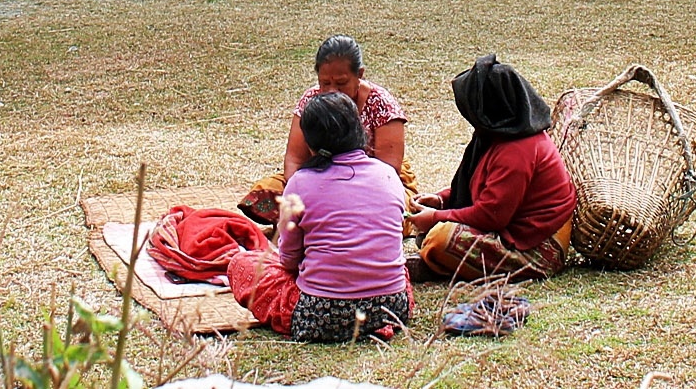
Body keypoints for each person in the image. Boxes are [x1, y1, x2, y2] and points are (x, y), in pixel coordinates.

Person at [227, 92, 410, 342]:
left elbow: (289, 261)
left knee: (243, 264)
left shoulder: (300, 184)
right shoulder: (389, 176)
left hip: (320, 316)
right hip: (392, 308)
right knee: (397, 269)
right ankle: (374, 325)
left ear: (311, 143)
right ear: (360, 132)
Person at [407, 54, 576, 283]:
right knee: (434, 235)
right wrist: (442, 200)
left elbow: (492, 215)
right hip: (512, 227)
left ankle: (442, 265)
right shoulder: (500, 135)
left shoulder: (519, 149)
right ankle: (445, 264)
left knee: (441, 239)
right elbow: (483, 188)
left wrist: (436, 217)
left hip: (538, 247)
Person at [238, 34, 417, 225]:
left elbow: (388, 172)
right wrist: (304, 191)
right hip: (318, 178)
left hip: (371, 186)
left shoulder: (381, 104)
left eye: (341, 83)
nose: (332, 91)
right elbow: (295, 159)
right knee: (266, 193)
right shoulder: (310, 100)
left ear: (360, 75)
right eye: (325, 83)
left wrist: (337, 195)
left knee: (395, 213)